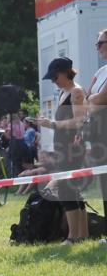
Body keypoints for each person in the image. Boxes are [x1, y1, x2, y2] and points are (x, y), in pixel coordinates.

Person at [36, 57, 90, 243]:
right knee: (73, 191)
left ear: (66, 72)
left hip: (72, 148)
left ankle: (73, 236)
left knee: (67, 189)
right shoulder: (62, 93)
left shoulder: (76, 92)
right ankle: (81, 235)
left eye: (55, 76)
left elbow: (79, 121)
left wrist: (51, 124)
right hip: (63, 147)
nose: (53, 80)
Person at [85, 28, 107, 218]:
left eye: (100, 43)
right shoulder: (101, 71)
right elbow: (88, 97)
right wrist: (94, 98)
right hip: (98, 133)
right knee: (104, 181)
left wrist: (94, 98)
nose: (97, 48)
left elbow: (101, 99)